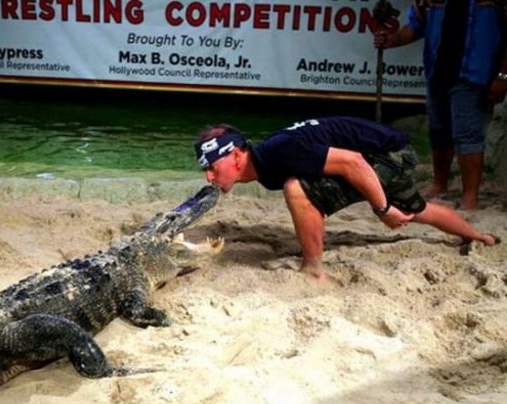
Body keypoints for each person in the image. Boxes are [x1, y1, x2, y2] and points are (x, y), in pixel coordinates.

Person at [194, 117, 499, 282]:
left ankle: (313, 269)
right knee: (413, 210)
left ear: (235, 157)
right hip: (387, 153)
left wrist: (382, 209)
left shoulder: (279, 152)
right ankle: (478, 236)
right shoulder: (266, 164)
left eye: (211, 167)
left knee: (296, 189)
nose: (209, 176)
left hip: (388, 156)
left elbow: (353, 163)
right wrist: (389, 208)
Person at [373, 0, 507, 210]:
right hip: (437, 71)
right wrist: (392, 40)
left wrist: (503, 76)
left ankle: (470, 197)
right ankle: (439, 184)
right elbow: (416, 26)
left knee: (468, 135)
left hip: (474, 71)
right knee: (439, 130)